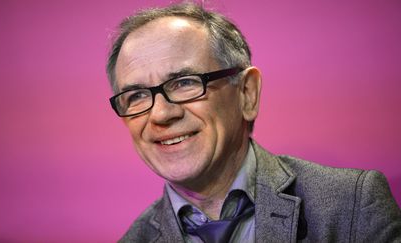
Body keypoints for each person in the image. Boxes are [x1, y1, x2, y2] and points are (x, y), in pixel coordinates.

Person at [106, 2, 401, 242]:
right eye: (137, 96)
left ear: (247, 93)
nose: (160, 114)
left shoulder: (352, 206)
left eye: (184, 82)